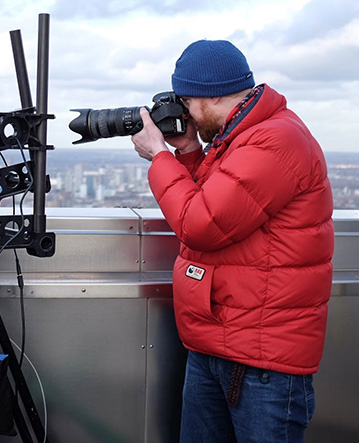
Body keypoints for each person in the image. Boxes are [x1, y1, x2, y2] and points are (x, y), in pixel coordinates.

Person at [132, 40, 334, 442]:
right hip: (219, 344)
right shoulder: (240, 136)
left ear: (214, 95)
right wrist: (189, 150)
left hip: (263, 363)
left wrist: (160, 157)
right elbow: (218, 203)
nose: (184, 112)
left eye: (187, 101)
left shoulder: (275, 140)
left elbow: (201, 224)